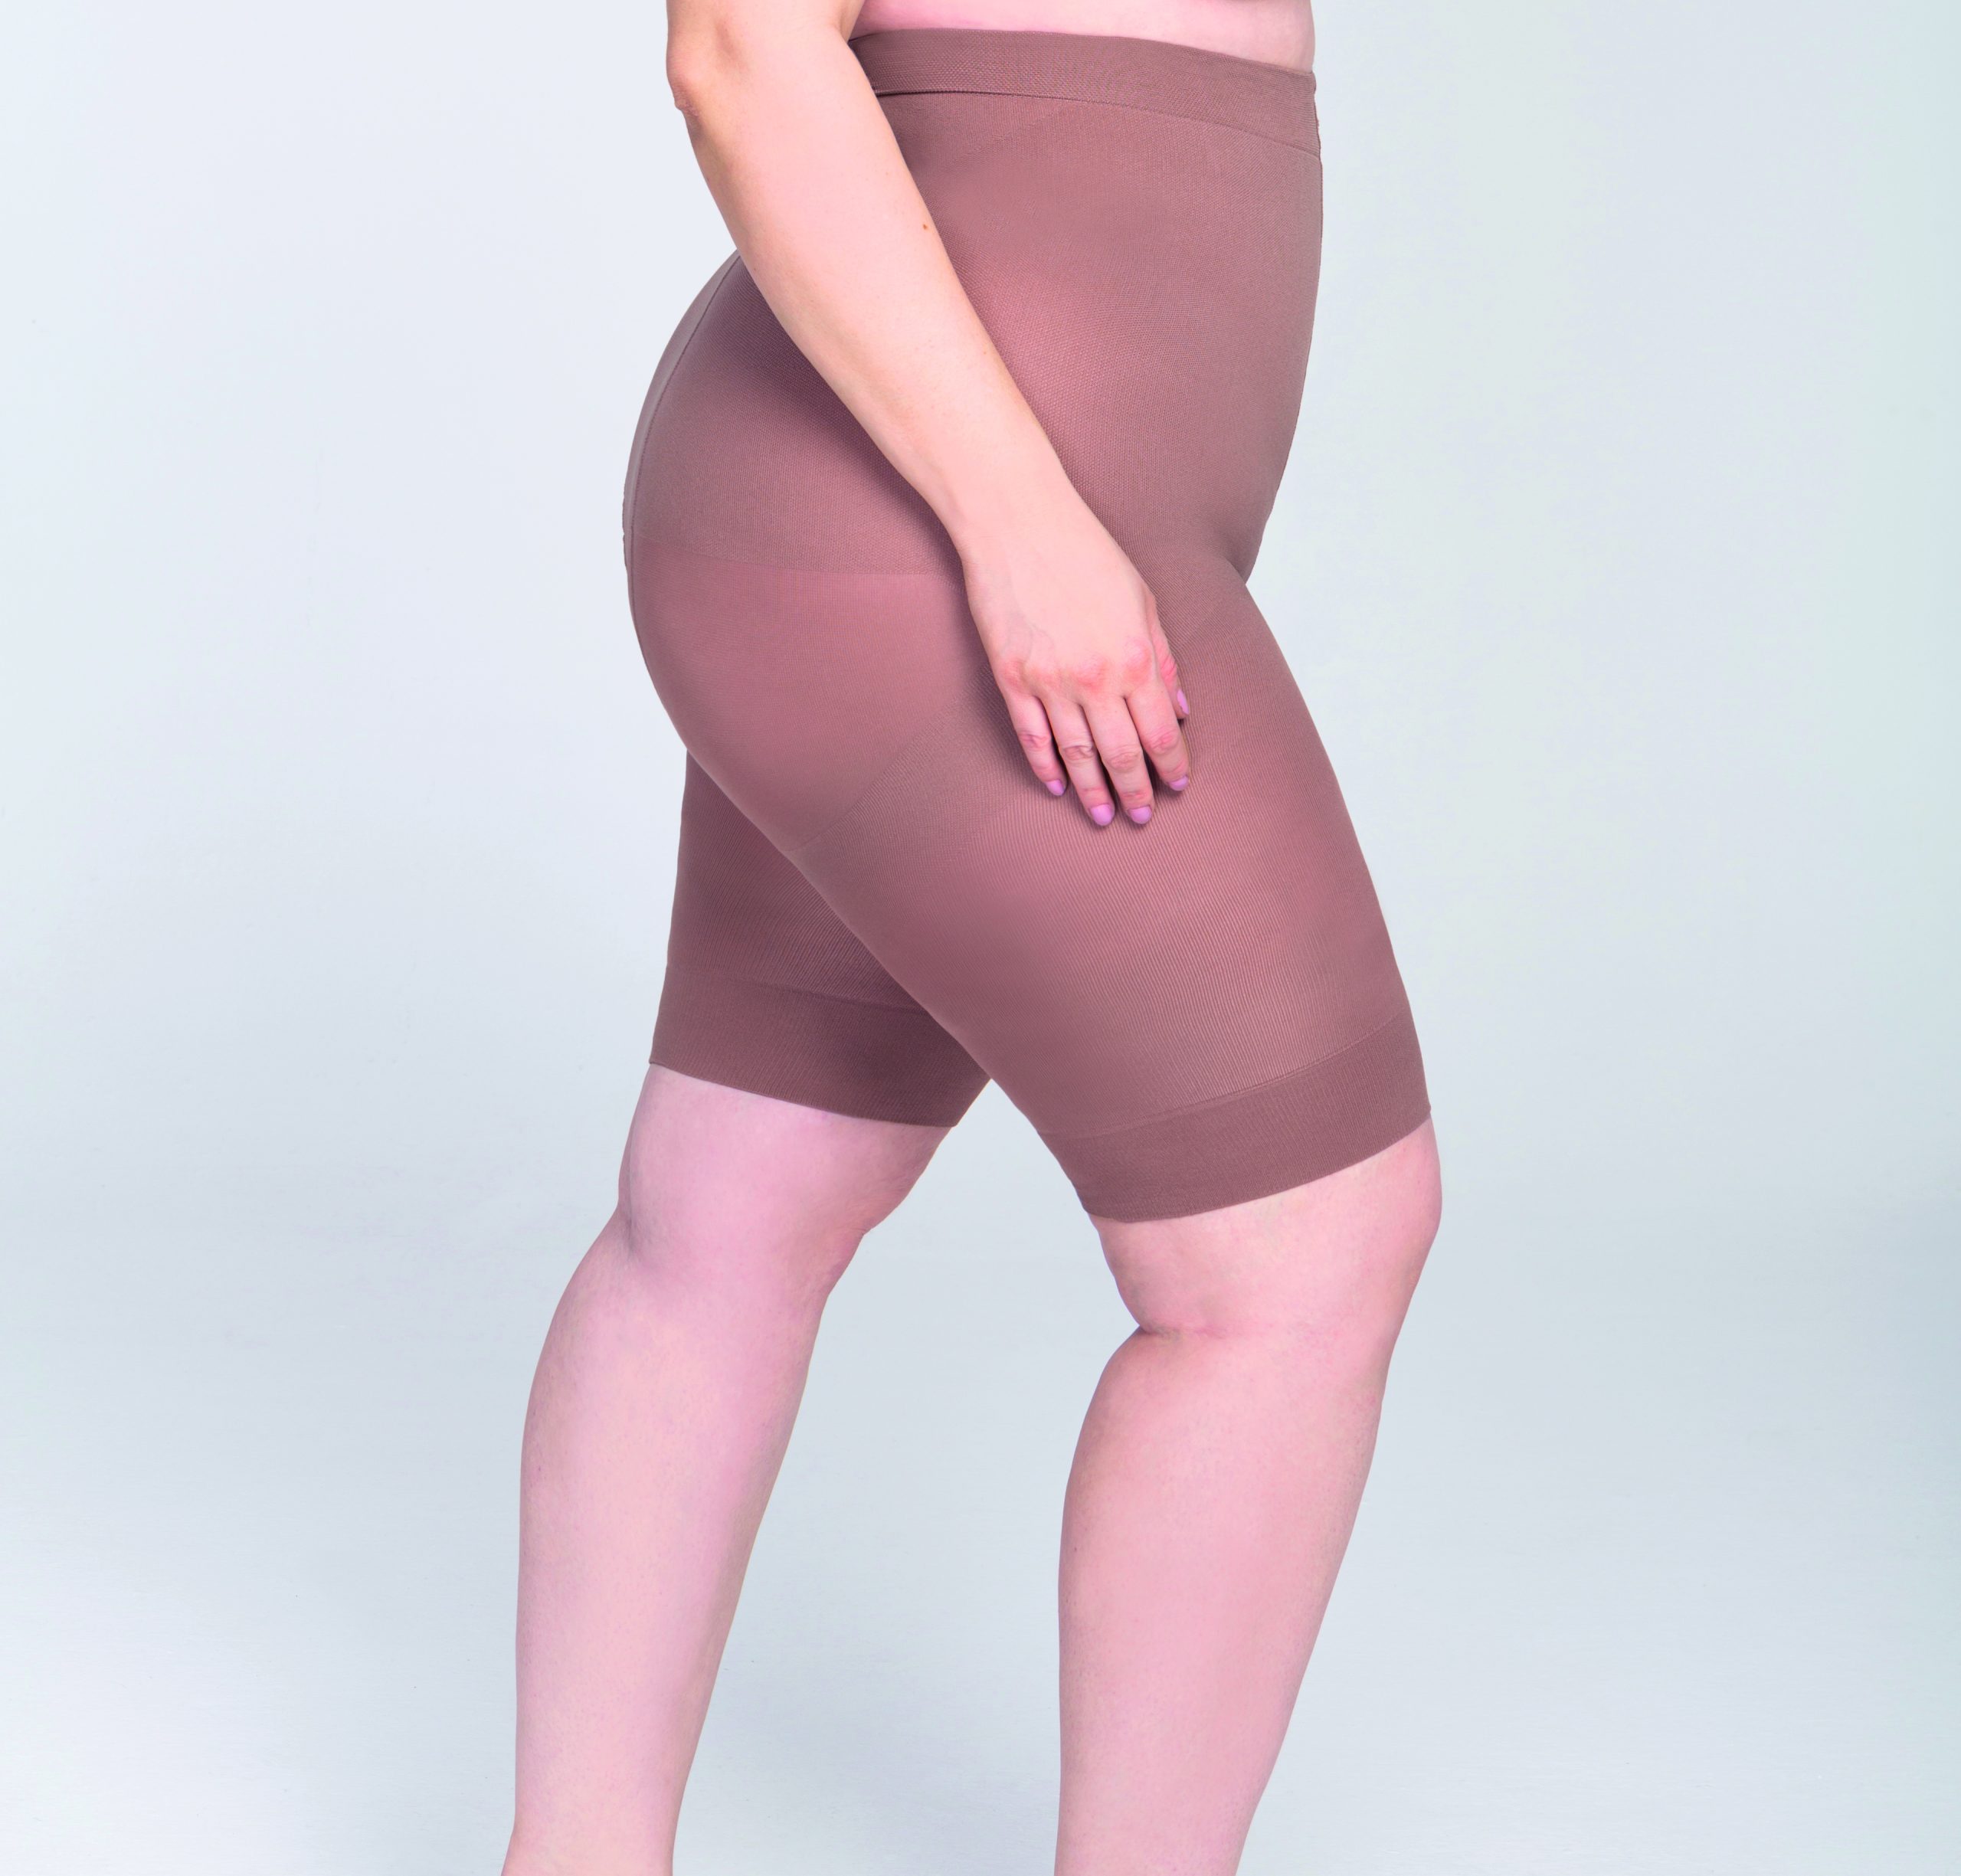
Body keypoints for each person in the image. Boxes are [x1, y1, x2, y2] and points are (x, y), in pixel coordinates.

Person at [503, 0, 1442, 1869]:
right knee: (1299, 1257)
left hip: (915, 522)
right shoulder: (1006, 538)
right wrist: (1021, 536)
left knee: (734, 1200)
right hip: (946, 538)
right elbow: (738, 50)